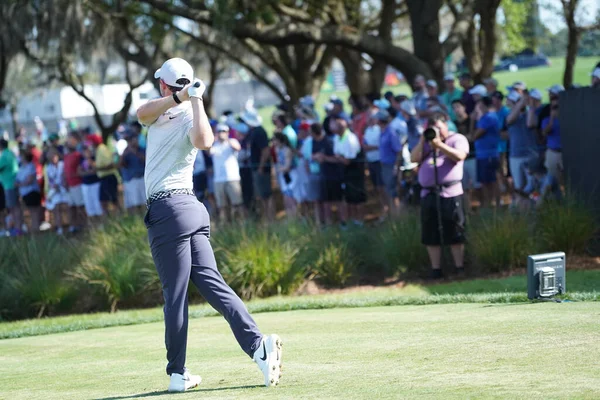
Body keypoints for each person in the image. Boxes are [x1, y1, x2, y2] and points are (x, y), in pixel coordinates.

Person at [136, 58, 282, 392]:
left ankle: (177, 372)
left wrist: (196, 99)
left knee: (175, 294)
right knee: (214, 286)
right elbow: (141, 114)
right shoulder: (160, 110)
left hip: (169, 210)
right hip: (191, 210)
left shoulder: (190, 113)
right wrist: (183, 96)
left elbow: (204, 142)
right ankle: (259, 346)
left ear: (162, 84)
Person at [411, 113, 469, 279]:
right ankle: (436, 270)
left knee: (455, 230)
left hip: (450, 193)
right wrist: (424, 141)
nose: (436, 131)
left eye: (439, 128)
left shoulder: (457, 139)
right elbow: (414, 159)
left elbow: (459, 156)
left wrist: (439, 145)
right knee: (430, 232)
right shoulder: (426, 143)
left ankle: (459, 268)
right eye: (432, 128)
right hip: (428, 194)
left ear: (446, 125)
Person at [505, 91, 539, 206]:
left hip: (531, 155)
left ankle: (535, 207)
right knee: (519, 186)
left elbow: (531, 124)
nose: (507, 103)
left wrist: (529, 105)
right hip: (516, 156)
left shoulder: (530, 113)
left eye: (509, 100)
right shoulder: (509, 115)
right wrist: (520, 103)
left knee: (533, 186)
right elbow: (510, 120)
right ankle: (523, 209)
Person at [331, 115, 366, 226]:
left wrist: (338, 158)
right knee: (348, 198)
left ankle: (360, 221)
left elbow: (347, 160)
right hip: (344, 173)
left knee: (357, 198)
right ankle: (352, 221)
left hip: (354, 173)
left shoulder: (350, 139)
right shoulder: (337, 138)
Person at [242, 107, 274, 221]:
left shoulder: (259, 131)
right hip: (256, 167)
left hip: (261, 168)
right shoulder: (253, 132)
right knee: (261, 195)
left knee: (266, 195)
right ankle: (265, 218)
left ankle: (270, 219)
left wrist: (261, 167)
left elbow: (265, 151)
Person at [210, 123, 245, 222]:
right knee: (222, 206)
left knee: (237, 204)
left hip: (232, 178)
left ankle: (241, 224)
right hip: (218, 180)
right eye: (219, 131)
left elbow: (237, 148)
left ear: (227, 132)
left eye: (223, 131)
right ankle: (225, 225)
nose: (221, 133)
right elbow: (208, 151)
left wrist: (227, 139)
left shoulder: (232, 141)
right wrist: (213, 139)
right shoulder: (214, 144)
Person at [473, 96, 500, 207]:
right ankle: (490, 204)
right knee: (485, 181)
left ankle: (495, 204)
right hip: (483, 154)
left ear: (483, 105)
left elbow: (475, 135)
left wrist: (473, 119)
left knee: (491, 181)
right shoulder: (486, 117)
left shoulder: (489, 117)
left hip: (488, 155)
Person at [452, 99, 479, 211]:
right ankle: (468, 210)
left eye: (458, 106)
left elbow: (472, 137)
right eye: (454, 108)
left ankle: (482, 208)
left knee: (477, 186)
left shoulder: (472, 121)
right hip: (460, 161)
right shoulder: (453, 124)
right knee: (464, 188)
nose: (456, 110)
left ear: (464, 107)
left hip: (472, 156)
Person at [377, 110, 403, 217]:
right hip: (384, 165)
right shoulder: (382, 131)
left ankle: (397, 216)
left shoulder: (391, 132)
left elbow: (398, 151)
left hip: (391, 165)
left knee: (393, 192)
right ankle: (391, 215)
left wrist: (396, 167)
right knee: (388, 190)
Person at [302, 122, 327, 225]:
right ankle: (318, 222)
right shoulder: (308, 142)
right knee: (316, 200)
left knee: (325, 200)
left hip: (326, 173)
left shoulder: (326, 140)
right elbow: (307, 159)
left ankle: (327, 221)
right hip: (314, 173)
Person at [91, 134, 121, 216]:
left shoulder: (102, 149)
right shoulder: (98, 150)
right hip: (104, 178)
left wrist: (98, 168)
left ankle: (119, 217)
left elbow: (110, 164)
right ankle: (110, 219)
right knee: (103, 201)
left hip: (109, 177)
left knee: (113, 200)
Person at [362, 111, 385, 213]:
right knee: (376, 187)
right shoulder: (367, 130)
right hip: (371, 162)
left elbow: (380, 146)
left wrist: (371, 147)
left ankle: (387, 210)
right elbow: (365, 146)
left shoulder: (378, 130)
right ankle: (382, 210)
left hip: (379, 161)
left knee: (381, 187)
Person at [15, 150, 43, 233]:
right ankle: (32, 229)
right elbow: (16, 182)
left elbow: (29, 181)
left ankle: (36, 229)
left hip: (32, 192)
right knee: (30, 211)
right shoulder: (21, 168)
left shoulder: (31, 166)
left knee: (34, 211)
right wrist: (21, 184)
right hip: (24, 193)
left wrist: (20, 184)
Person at [120, 132, 146, 214]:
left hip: (142, 178)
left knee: (145, 202)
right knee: (135, 203)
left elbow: (146, 160)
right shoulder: (126, 152)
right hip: (132, 180)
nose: (131, 142)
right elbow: (121, 164)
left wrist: (135, 152)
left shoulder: (142, 149)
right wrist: (124, 154)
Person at [64, 132, 86, 231]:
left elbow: (82, 169)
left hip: (77, 184)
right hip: (69, 185)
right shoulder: (67, 156)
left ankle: (84, 225)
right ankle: (74, 226)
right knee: (71, 207)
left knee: (80, 206)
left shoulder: (78, 155)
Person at [273, 132, 298, 219]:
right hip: (283, 176)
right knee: (285, 197)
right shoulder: (277, 150)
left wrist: (278, 170)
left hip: (290, 175)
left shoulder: (287, 150)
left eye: (275, 140)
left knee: (290, 197)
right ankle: (289, 217)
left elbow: (287, 167)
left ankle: (294, 217)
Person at [0, 139, 22, 235]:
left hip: (9, 185)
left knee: (13, 208)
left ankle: (16, 229)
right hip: (12, 183)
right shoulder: (10, 153)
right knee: (16, 207)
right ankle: (18, 228)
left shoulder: (5, 155)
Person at [79, 142, 103, 226]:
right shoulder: (81, 160)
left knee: (98, 205)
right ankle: (94, 226)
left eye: (88, 149)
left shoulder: (94, 158)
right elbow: (80, 172)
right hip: (86, 185)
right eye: (84, 150)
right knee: (89, 206)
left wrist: (91, 162)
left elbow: (96, 169)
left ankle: (101, 224)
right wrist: (87, 172)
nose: (86, 151)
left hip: (95, 183)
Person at [541, 92, 563, 182]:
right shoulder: (546, 120)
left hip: (565, 153)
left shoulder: (567, 118)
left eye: (557, 107)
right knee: (553, 181)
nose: (555, 109)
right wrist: (552, 119)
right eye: (553, 107)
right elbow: (545, 132)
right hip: (552, 152)